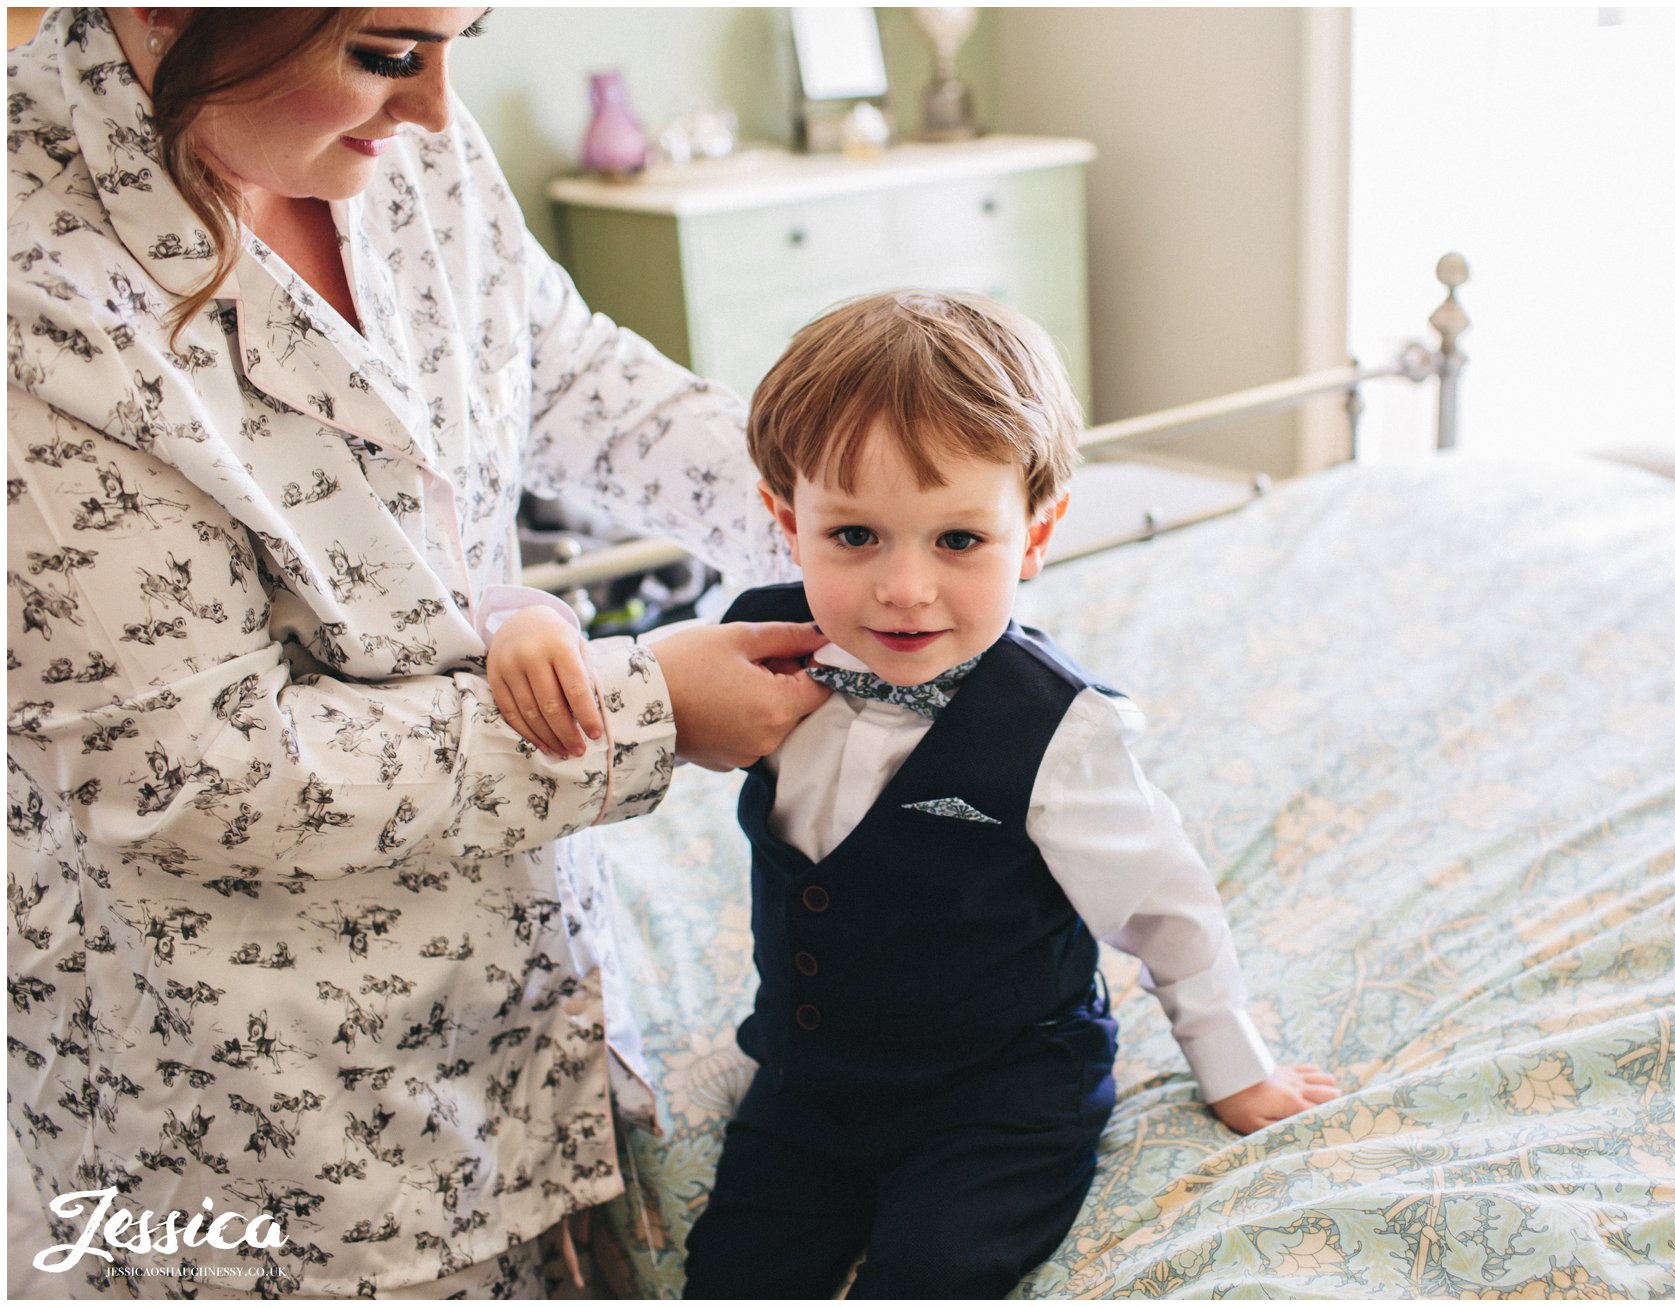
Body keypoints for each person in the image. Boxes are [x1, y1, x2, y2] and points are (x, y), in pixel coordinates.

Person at [5, 7, 830, 1298]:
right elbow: (191, 771)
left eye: (460, 38)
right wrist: (651, 705)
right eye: (389, 53)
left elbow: (554, 371)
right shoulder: (32, 282)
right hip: (256, 1089)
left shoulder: (397, 145)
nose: (442, 110)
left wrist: (848, 509)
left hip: (513, 981)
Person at [483, 290, 1345, 1298]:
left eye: (957, 541)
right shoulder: (752, 649)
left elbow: (1167, 906)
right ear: (784, 520)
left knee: (932, 1269)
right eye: (853, 535)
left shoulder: (1056, 731)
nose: (903, 587)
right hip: (810, 1073)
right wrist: (525, 618)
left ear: (1035, 533)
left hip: (999, 1088)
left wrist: (1235, 1066)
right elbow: (594, 693)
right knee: (730, 1271)